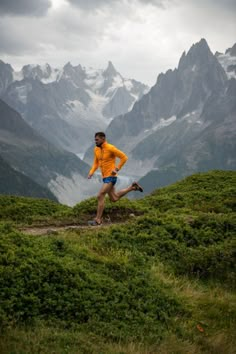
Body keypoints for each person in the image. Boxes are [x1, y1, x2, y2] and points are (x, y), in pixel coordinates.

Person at [87, 132, 143, 226]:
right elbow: (96, 163)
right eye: (95, 139)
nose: (95, 141)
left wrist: (116, 169)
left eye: (97, 139)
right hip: (105, 177)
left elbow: (124, 157)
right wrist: (91, 173)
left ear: (103, 139)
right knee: (114, 198)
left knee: (100, 195)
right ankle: (132, 187)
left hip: (111, 177)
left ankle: (98, 220)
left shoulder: (110, 148)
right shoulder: (96, 149)